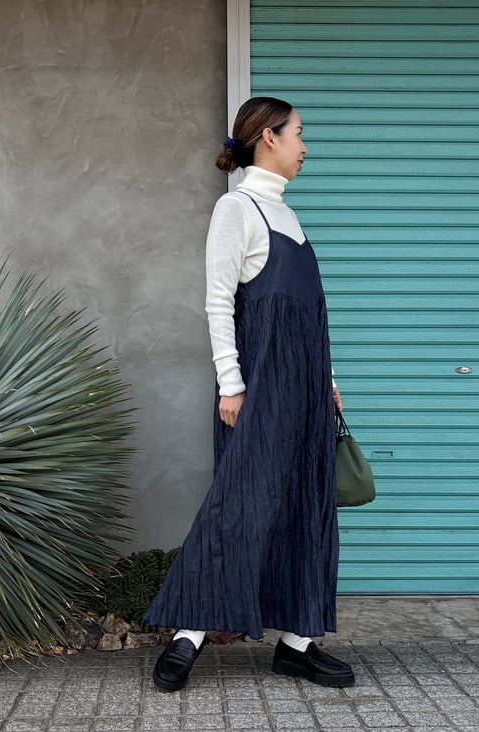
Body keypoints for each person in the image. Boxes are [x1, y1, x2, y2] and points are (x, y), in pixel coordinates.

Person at [143, 96, 353, 691]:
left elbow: (306, 317)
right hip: (259, 387)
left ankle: (298, 643)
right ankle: (188, 632)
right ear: (268, 138)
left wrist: (329, 383)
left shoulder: (288, 216)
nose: (305, 147)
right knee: (241, 505)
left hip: (307, 389)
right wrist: (231, 383)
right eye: (298, 135)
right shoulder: (237, 210)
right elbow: (218, 302)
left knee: (307, 506)